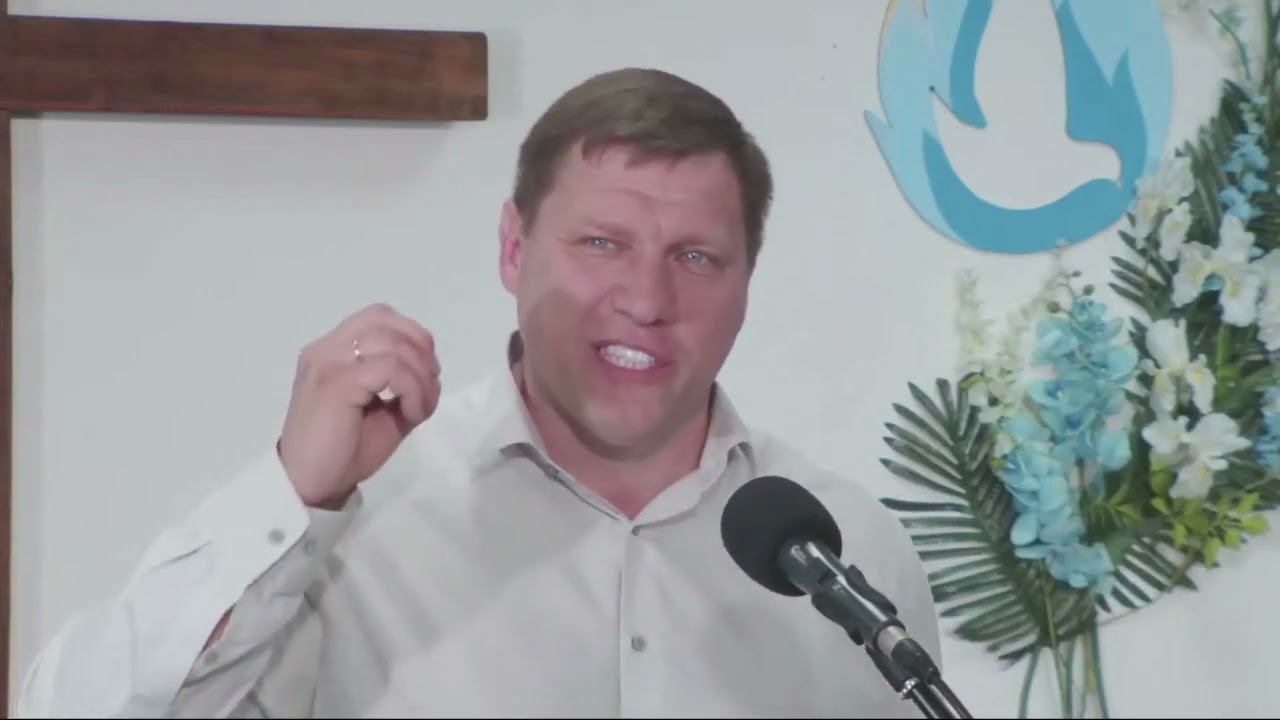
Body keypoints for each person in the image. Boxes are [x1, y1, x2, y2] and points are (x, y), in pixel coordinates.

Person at [16, 67, 940, 718]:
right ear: (512, 248)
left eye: (696, 257)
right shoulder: (355, 523)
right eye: (602, 244)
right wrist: (293, 495)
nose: (648, 300)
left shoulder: (845, 549)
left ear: (747, 284)